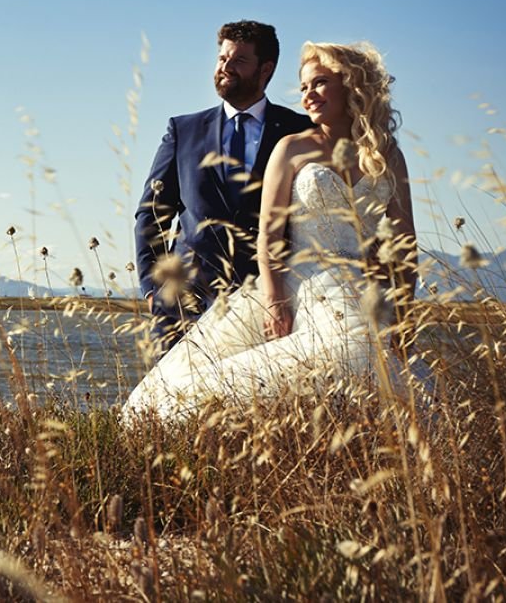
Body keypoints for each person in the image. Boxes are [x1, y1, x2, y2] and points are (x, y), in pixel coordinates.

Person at [124, 41, 418, 421]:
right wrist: (276, 300)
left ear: (351, 86)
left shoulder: (385, 154)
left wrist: (405, 313)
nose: (308, 95)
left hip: (366, 290)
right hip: (304, 284)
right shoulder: (293, 148)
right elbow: (270, 233)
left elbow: (405, 242)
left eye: (320, 83)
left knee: (374, 366)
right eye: (304, 87)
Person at [134, 20, 313, 351]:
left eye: (239, 60)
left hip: (266, 305)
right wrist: (152, 288)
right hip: (183, 305)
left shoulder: (299, 131)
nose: (225, 67)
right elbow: (152, 213)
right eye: (221, 58)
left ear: (265, 69)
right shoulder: (183, 130)